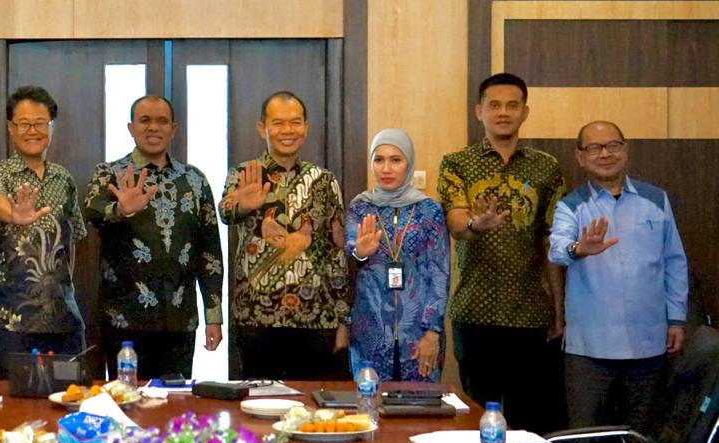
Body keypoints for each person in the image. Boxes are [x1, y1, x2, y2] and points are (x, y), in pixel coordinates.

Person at [438, 73, 566, 432]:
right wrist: (476, 224)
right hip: (475, 312)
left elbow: (551, 242)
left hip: (531, 314)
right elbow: (456, 223)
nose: (503, 113)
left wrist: (559, 312)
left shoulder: (547, 167)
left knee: (530, 422)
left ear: (525, 112)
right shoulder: (457, 163)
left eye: (512, 105)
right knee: (479, 421)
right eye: (494, 105)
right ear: (479, 112)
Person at [548, 121, 686, 440]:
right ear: (581, 157)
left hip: (650, 343)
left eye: (613, 145)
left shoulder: (656, 200)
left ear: (625, 150)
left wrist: (677, 318)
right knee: (586, 440)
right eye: (594, 148)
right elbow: (557, 249)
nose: (605, 154)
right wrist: (579, 248)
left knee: (643, 440)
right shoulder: (570, 206)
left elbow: (674, 261)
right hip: (590, 349)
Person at [83, 96, 224, 380]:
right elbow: (91, 209)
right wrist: (120, 209)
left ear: (174, 128)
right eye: (145, 120)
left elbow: (209, 253)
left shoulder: (194, 180)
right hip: (124, 319)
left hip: (180, 319)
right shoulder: (111, 174)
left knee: (175, 399)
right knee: (127, 399)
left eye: (162, 121)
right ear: (131, 128)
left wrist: (214, 316)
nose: (153, 128)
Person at [220, 91, 350, 380]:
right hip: (256, 318)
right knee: (258, 401)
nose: (287, 130)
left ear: (306, 127)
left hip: (316, 318)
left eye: (295, 122)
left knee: (312, 403)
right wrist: (243, 205)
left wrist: (343, 318)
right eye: (278, 123)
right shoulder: (244, 174)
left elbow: (337, 252)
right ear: (262, 128)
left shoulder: (324, 180)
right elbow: (225, 213)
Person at [0, 86, 87, 367]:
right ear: (10, 128)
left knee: (67, 392)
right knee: (11, 396)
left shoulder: (64, 179)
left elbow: (72, 242)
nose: (32, 131)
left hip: (64, 321)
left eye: (40, 123)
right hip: (11, 322)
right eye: (24, 124)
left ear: (51, 127)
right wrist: (13, 215)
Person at [345, 129, 449, 382]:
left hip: (419, 331)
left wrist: (432, 332)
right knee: (370, 399)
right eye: (379, 160)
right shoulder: (360, 207)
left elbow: (439, 272)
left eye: (395, 160)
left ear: (409, 162)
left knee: (420, 403)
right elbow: (348, 259)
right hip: (370, 329)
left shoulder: (429, 210)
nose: (386, 169)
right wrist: (360, 253)